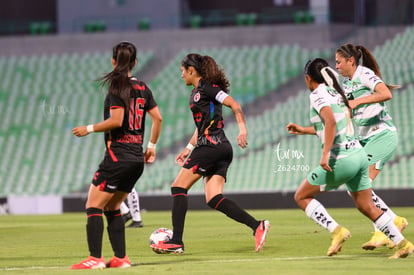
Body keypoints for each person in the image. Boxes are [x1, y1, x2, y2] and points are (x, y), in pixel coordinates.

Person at [287, 57, 413, 258]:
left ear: (308, 78)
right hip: (359, 156)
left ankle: (337, 231)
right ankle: (403, 244)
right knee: (366, 206)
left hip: (341, 158)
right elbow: (336, 123)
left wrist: (325, 154)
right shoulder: (336, 92)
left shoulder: (317, 94)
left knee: (301, 196)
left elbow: (330, 121)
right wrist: (303, 130)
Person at [150, 53, 270, 254]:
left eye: (182, 71)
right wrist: (188, 149)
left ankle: (176, 241)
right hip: (219, 147)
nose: (181, 76)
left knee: (178, 187)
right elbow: (201, 126)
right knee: (213, 198)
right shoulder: (197, 93)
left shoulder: (209, 88)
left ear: (191, 70)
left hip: (211, 146)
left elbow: (235, 104)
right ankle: (257, 226)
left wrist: (243, 129)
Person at [71, 41, 162, 269]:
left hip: (117, 156)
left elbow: (116, 121)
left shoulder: (116, 86)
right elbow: (158, 118)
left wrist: (88, 128)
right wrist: (151, 146)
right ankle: (121, 259)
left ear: (113, 61)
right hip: (136, 160)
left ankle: (95, 258)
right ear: (135, 63)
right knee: (111, 207)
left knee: (93, 206)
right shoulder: (143, 88)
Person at [335, 43, 408, 250]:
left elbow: (386, 93)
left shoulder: (364, 74)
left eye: (339, 62)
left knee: (360, 184)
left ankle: (383, 229)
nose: (337, 66)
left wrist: (358, 103)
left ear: (351, 61)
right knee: (353, 187)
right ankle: (393, 221)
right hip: (366, 138)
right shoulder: (347, 83)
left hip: (382, 134)